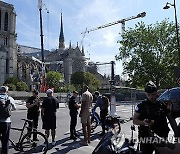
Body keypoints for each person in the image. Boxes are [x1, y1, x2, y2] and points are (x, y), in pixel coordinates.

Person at [133, 81, 171, 154]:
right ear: (145, 94)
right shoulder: (141, 106)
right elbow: (134, 120)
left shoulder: (163, 105)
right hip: (146, 137)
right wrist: (143, 122)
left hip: (161, 135)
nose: (151, 97)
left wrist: (176, 132)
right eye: (148, 94)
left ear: (156, 92)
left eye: (153, 94)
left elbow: (171, 119)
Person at [0, 86, 16, 154]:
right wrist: (8, 110)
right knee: (5, 140)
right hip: (6, 121)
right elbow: (14, 108)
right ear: (6, 91)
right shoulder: (9, 98)